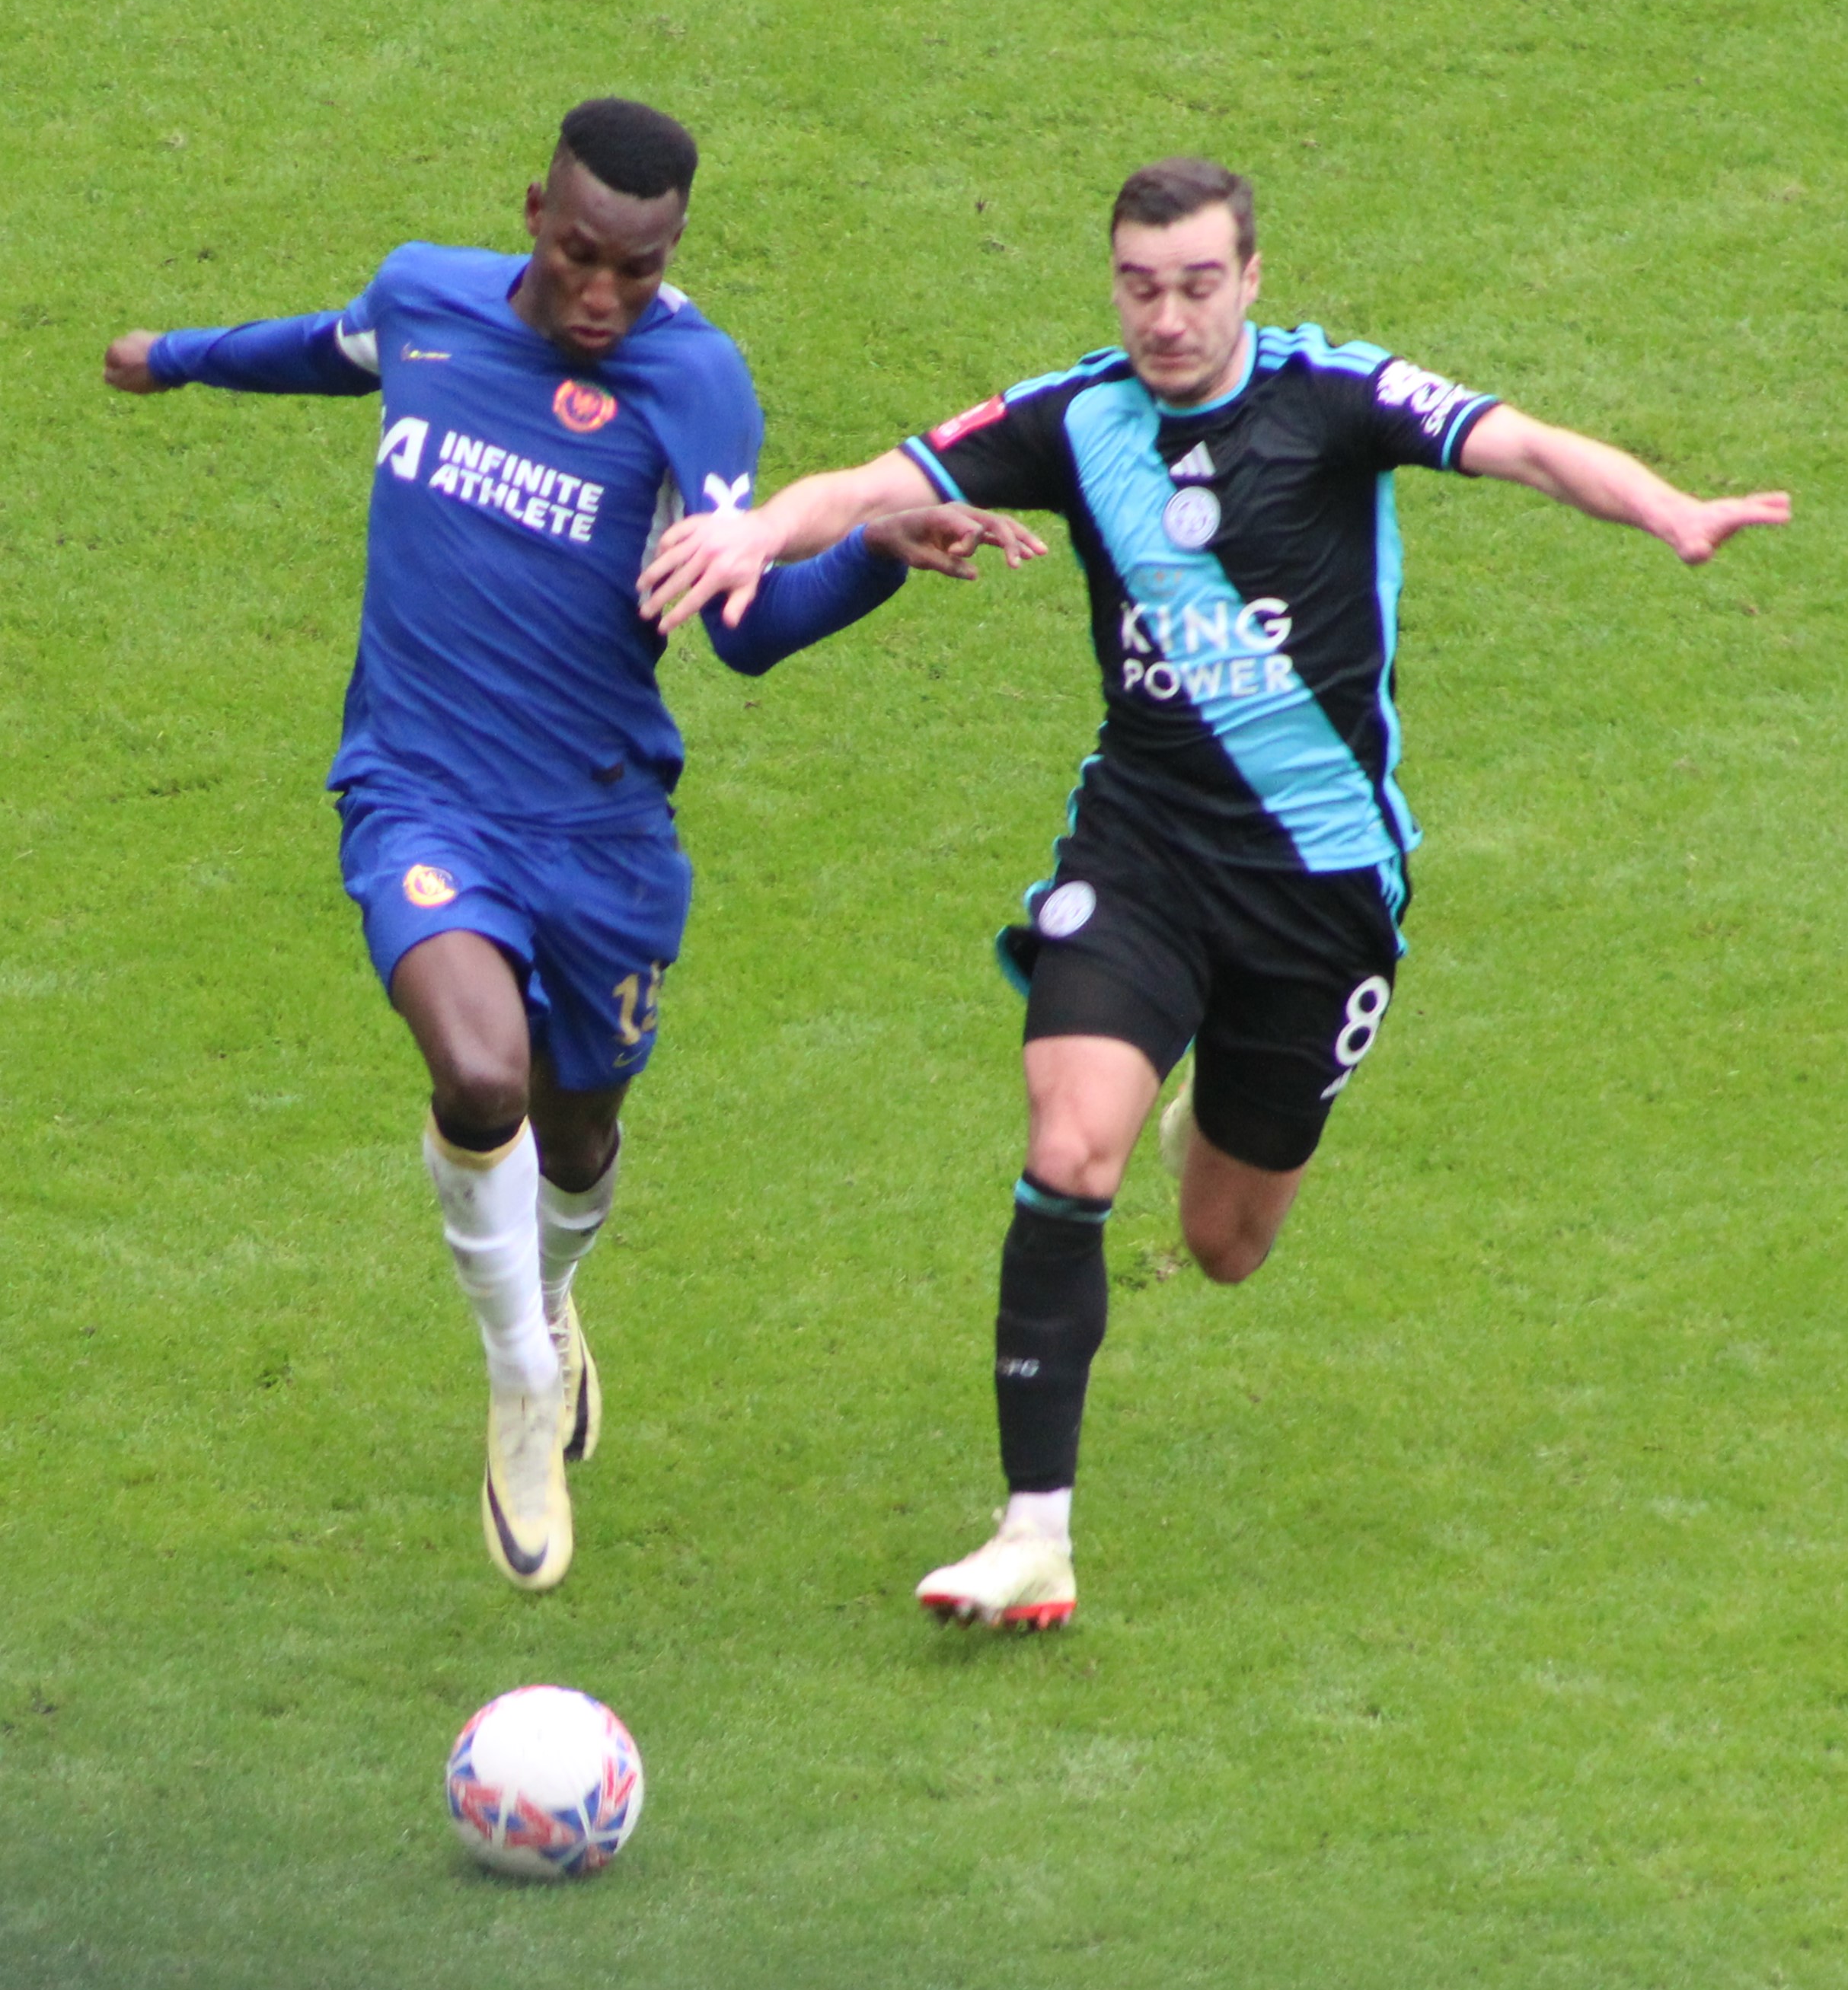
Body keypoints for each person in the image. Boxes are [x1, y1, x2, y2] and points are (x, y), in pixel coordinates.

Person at [637, 155, 1790, 1631]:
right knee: (1070, 1147)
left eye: (1194, 286)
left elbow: (1524, 448)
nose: (1166, 319)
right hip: (1144, 856)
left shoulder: (1334, 397)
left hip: (1320, 889)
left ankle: (1210, 1110)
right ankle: (1033, 1535)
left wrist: (1665, 508)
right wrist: (756, 530)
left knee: (1223, 1247)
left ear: (1250, 278)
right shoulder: (1075, 416)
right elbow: (872, 484)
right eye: (1139, 287)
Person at [104, 97, 1039, 1594]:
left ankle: (551, 1291)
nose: (604, 296)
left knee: (578, 1133)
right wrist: (177, 356)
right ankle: (522, 1383)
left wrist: (870, 554)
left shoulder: (694, 385)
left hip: (600, 830)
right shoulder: (428, 297)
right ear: (534, 210)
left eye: (639, 270)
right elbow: (332, 347)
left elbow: (740, 634)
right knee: (479, 1078)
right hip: (417, 792)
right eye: (582, 255)